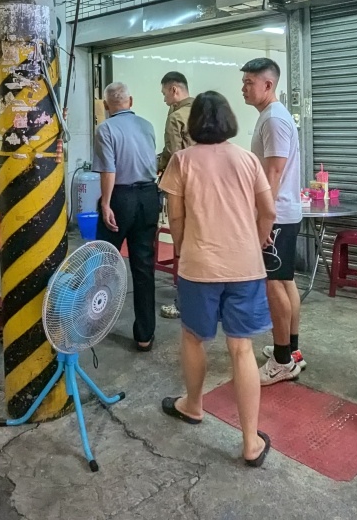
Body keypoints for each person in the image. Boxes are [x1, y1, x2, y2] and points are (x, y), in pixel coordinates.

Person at [158, 91, 275, 467]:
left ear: (193, 124)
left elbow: (175, 217)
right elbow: (268, 211)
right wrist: (253, 244)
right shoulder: (247, 159)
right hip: (245, 267)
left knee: (193, 337)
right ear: (228, 121)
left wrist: (181, 248)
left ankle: (193, 405)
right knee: (241, 349)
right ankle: (250, 442)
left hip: (199, 267)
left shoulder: (181, 160)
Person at [241, 58, 305, 385]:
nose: (243, 88)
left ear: (268, 85)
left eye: (249, 82)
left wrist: (263, 218)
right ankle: (292, 351)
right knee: (285, 282)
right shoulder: (271, 117)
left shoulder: (274, 120)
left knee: (274, 285)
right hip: (283, 213)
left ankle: (282, 361)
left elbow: (274, 172)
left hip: (276, 215)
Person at [93, 81, 160, 351]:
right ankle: (144, 336)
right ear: (130, 101)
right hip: (148, 197)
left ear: (107, 105)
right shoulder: (147, 126)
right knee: (144, 267)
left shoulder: (105, 128)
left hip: (121, 198)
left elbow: (109, 170)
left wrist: (106, 204)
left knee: (103, 261)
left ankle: (92, 321)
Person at [158, 72, 195, 320]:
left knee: (182, 246)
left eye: (164, 94)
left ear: (173, 90)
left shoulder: (176, 116)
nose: (164, 100)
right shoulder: (202, 112)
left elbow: (173, 153)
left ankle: (183, 304)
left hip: (182, 188)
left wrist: (158, 167)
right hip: (205, 188)